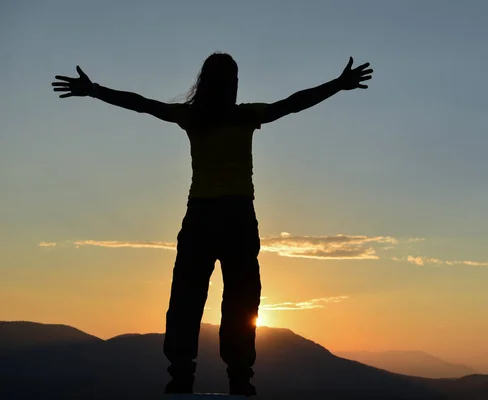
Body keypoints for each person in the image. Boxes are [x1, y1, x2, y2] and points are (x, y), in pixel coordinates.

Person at [52, 53, 373, 396]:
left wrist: (95, 90)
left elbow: (143, 104)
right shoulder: (239, 115)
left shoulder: (198, 116)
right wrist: (337, 85)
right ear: (225, 84)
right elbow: (293, 104)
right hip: (232, 219)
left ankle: (188, 378)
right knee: (235, 299)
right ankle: (233, 378)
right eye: (232, 80)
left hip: (205, 219)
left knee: (196, 299)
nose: (234, 86)